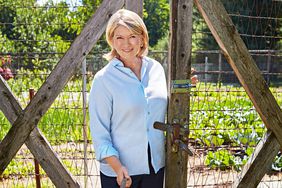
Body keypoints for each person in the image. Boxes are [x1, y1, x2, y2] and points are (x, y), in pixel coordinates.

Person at [89, 9, 167, 188]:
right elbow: (100, 134)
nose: (126, 44)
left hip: (155, 167)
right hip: (120, 172)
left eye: (132, 36)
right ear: (111, 40)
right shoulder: (103, 80)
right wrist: (117, 167)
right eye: (119, 37)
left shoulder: (157, 69)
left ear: (142, 37)